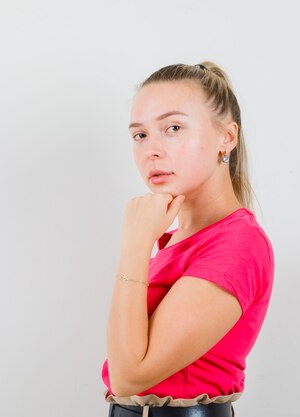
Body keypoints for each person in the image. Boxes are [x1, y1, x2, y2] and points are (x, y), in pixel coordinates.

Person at [101, 62, 275, 417]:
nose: (151, 150)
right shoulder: (174, 240)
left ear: (227, 137)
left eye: (174, 128)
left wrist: (135, 246)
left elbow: (129, 376)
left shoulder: (237, 243)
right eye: (140, 135)